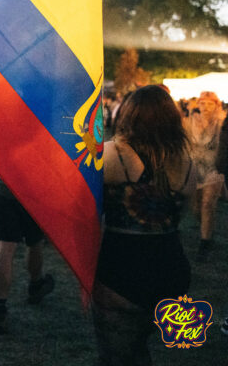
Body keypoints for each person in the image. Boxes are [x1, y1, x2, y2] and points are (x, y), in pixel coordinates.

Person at [92, 85, 195, 365]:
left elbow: (85, 208)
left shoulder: (111, 155)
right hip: (171, 274)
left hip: (121, 273)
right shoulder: (187, 163)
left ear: (128, 116)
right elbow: (178, 218)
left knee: (116, 357)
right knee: (139, 349)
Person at [0, 176, 54, 334]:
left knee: (5, 248)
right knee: (35, 242)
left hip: (5, 190)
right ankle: (36, 285)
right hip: (35, 191)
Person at [184, 90, 225, 258]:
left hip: (213, 169)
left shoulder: (222, 123)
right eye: (202, 103)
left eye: (210, 103)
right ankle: (207, 228)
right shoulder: (188, 121)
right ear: (197, 104)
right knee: (195, 208)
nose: (206, 107)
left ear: (216, 105)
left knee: (208, 204)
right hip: (194, 169)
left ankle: (205, 242)